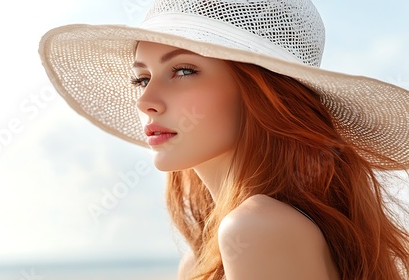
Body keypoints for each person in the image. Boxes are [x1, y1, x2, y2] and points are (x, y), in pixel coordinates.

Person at [38, 0, 409, 279]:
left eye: (183, 70)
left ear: (262, 93)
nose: (146, 101)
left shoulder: (256, 230)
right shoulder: (206, 255)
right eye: (141, 77)